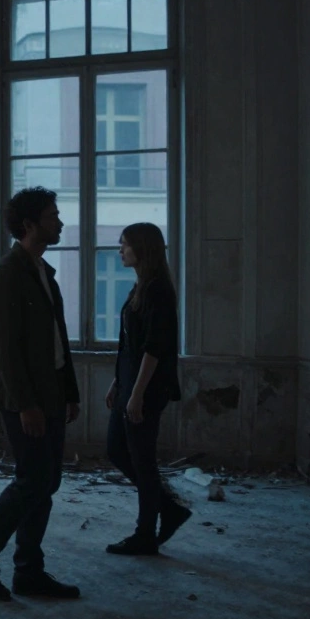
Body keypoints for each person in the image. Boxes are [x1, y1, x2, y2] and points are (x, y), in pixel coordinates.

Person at [0, 187, 82, 601]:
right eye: (52, 215)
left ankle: (28, 571)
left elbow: (57, 340)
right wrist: (27, 404)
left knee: (46, 482)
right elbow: (5, 350)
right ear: (29, 225)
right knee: (34, 480)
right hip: (23, 398)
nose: (60, 222)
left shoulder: (43, 271)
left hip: (50, 392)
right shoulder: (8, 273)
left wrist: (70, 391)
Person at [104, 222, 190, 555]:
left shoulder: (157, 290)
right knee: (116, 449)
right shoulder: (141, 286)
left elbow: (155, 348)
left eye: (124, 244)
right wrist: (118, 382)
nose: (120, 250)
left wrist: (137, 393)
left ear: (143, 247)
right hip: (130, 384)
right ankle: (169, 509)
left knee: (142, 460)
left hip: (147, 389)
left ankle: (145, 534)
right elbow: (132, 345)